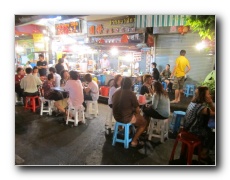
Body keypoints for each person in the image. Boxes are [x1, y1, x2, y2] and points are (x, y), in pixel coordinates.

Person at [112, 77, 148, 147]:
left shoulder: (116, 92)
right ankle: (134, 141)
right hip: (125, 118)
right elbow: (137, 109)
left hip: (116, 117)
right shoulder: (131, 93)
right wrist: (138, 114)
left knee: (134, 115)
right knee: (144, 123)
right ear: (130, 84)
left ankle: (129, 131)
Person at [183, 86, 215, 164]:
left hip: (187, 127)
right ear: (202, 95)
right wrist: (210, 103)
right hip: (192, 130)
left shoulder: (193, 103)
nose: (210, 95)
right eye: (208, 94)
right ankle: (203, 155)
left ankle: (200, 150)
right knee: (211, 134)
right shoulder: (201, 108)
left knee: (208, 129)